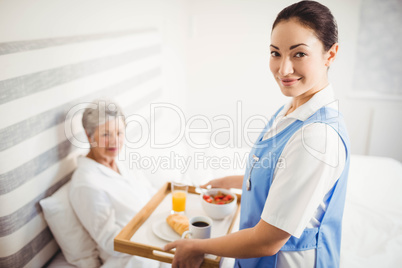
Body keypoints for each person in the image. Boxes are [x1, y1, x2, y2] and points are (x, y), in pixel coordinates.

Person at [163, 1, 350, 267]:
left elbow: (267, 241)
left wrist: (196, 246)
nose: (284, 69)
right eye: (276, 53)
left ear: (330, 54)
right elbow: (280, 174)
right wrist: (230, 180)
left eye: (299, 54)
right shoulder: (292, 108)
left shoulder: (316, 137)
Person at [69, 100, 167, 268]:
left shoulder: (120, 162)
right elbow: (111, 242)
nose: (115, 141)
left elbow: (149, 193)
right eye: (106, 135)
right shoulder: (86, 184)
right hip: (132, 257)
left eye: (119, 133)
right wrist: (153, 236)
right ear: (89, 136)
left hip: (157, 234)